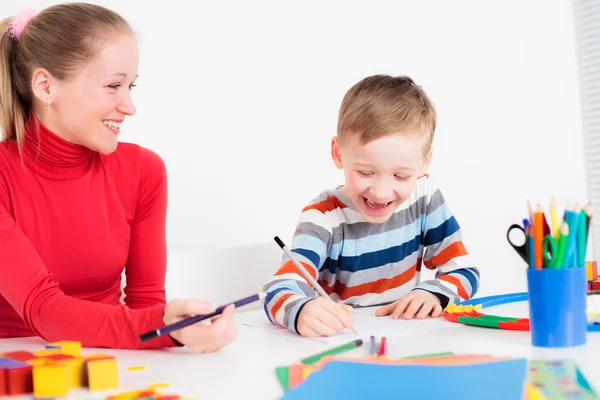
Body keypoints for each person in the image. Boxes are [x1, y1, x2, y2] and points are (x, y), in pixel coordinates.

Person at [0, 3, 237, 352]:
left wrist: (175, 326)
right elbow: (43, 309)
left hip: (112, 360)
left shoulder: (144, 171)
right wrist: (164, 327)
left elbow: (147, 303)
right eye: (113, 86)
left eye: (131, 86)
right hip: (18, 364)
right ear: (45, 87)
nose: (129, 105)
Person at [263, 75, 480, 337]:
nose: (380, 192)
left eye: (400, 176)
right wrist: (302, 311)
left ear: (424, 163)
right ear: (338, 153)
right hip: (340, 344)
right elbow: (278, 289)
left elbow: (465, 271)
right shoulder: (323, 216)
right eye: (365, 172)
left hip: (404, 343)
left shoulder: (425, 200)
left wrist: (433, 293)